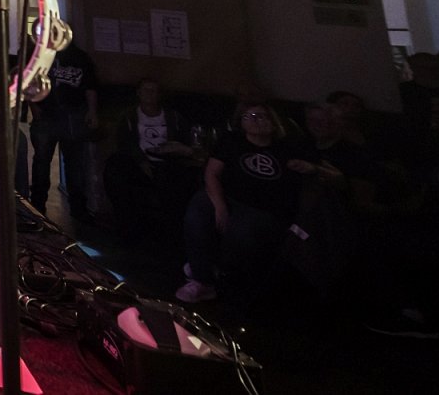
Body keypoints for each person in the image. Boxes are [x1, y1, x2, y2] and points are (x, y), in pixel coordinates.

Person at [177, 99, 308, 306]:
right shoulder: (232, 141)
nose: (255, 120)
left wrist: (310, 169)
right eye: (249, 117)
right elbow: (211, 173)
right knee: (198, 212)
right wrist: (220, 206)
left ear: (273, 122)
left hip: (262, 208)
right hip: (227, 197)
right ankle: (202, 279)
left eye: (261, 116)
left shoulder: (287, 148)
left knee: (241, 232)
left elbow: (303, 176)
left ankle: (214, 271)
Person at [103, 77, 199, 243]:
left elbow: (186, 140)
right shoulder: (129, 116)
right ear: (139, 93)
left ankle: (173, 235)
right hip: (137, 162)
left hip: (168, 162)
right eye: (146, 90)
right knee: (116, 169)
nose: (150, 94)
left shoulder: (173, 116)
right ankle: (129, 231)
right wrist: (141, 161)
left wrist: (178, 149)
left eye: (154, 91)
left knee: (180, 182)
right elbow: (124, 143)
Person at [27, 41, 100, 224]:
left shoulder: (78, 57)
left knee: (70, 163)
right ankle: (39, 205)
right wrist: (34, 107)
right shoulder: (43, 54)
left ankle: (72, 207)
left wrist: (92, 111)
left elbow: (90, 85)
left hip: (71, 116)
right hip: (50, 115)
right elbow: (28, 81)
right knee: (46, 162)